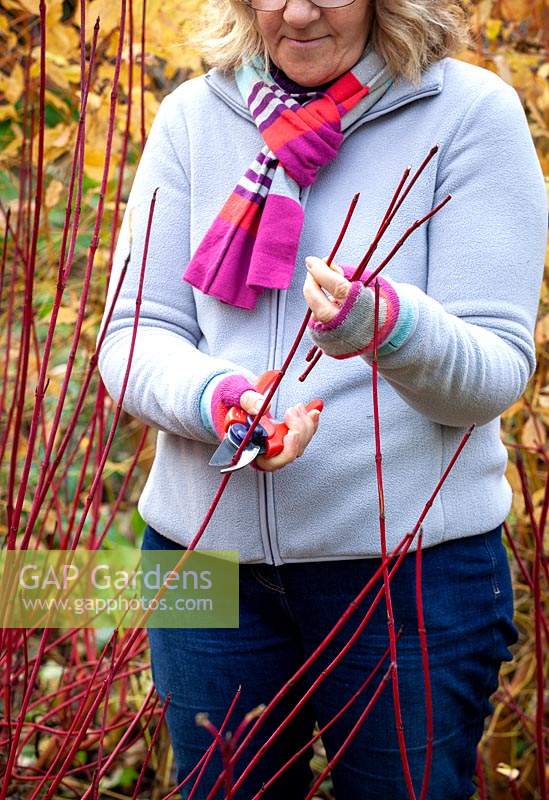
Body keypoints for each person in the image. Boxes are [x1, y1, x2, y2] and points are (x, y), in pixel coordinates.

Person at [96, 0, 548, 796]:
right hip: (207, 561)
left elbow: (495, 370)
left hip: (408, 579)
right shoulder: (193, 119)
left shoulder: (471, 113)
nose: (296, 12)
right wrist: (221, 399)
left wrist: (383, 326)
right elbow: (135, 334)